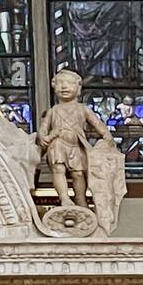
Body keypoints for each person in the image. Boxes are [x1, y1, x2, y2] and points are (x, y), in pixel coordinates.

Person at [38, 68, 115, 209]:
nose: (64, 86)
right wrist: (42, 136)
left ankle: (80, 199)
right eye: (60, 83)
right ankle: (64, 198)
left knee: (78, 174)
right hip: (57, 143)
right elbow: (44, 126)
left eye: (69, 83)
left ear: (78, 88)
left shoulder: (82, 108)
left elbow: (96, 123)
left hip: (76, 146)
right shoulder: (53, 110)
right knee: (58, 169)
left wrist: (106, 134)